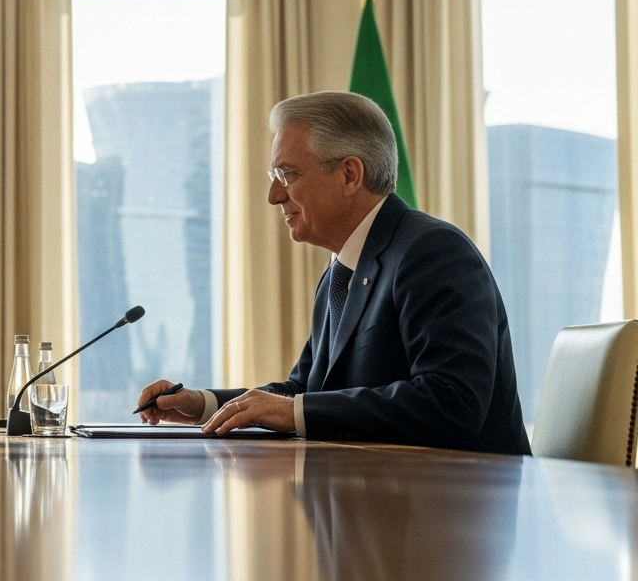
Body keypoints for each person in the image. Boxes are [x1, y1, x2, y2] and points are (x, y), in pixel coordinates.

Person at [138, 91, 530, 455]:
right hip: (378, 502)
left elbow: (453, 403)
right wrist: (204, 404)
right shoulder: (339, 272)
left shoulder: (432, 251)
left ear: (349, 175)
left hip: (459, 509)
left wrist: (292, 411)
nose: (274, 196)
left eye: (287, 175)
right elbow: (304, 391)